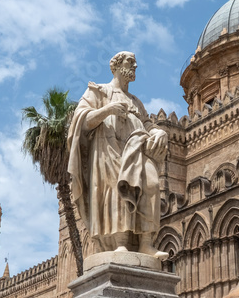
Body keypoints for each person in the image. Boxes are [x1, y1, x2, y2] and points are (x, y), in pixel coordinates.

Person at [67, 52, 168, 256]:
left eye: (135, 62)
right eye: (130, 62)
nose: (135, 66)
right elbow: (82, 121)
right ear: (115, 66)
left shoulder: (136, 102)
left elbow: (148, 124)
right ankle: (120, 242)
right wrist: (107, 110)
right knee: (117, 191)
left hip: (136, 148)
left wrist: (159, 131)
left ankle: (146, 244)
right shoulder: (99, 91)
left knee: (152, 184)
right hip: (108, 149)